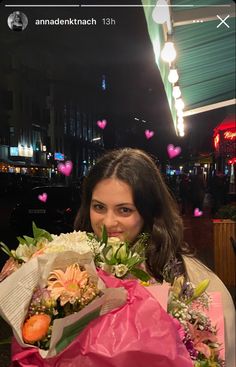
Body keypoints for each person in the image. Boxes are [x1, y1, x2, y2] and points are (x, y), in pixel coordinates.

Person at [74, 148, 235, 366]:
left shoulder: (191, 280)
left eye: (124, 210)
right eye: (99, 207)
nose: (108, 222)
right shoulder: (76, 273)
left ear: (149, 212)